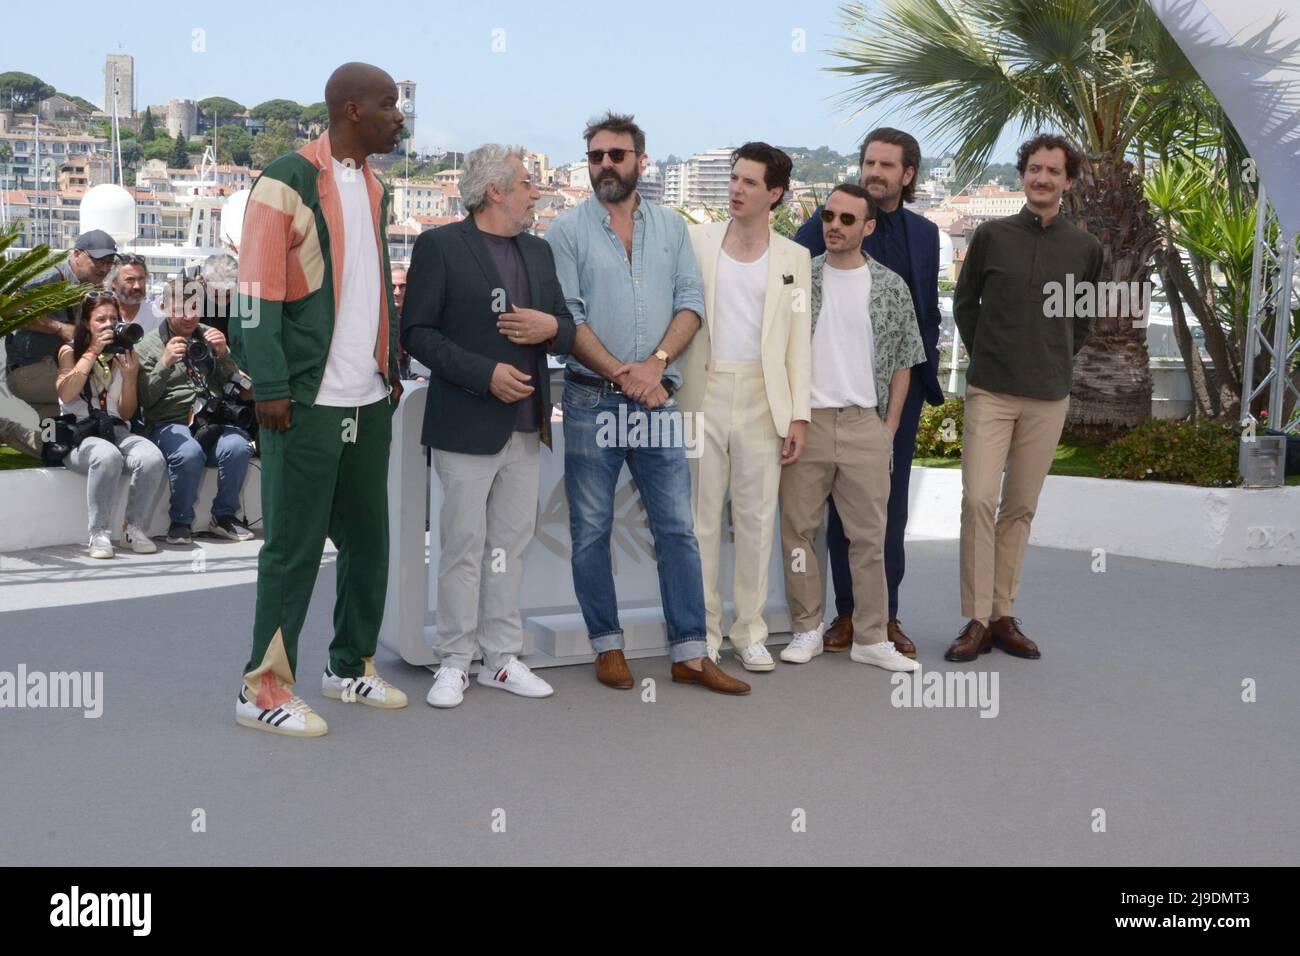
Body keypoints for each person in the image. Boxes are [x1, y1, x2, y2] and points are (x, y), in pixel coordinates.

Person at [230, 61, 408, 737]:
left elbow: (370, 292)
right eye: (388, 105)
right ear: (353, 110)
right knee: (293, 548)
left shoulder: (378, 186)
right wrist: (270, 385)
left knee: (369, 542)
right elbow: (255, 294)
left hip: (367, 398)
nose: (399, 116)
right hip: (303, 400)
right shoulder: (285, 179)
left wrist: (389, 370)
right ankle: (262, 689)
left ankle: (348, 665)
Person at [546, 111, 750, 695]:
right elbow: (569, 320)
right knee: (590, 531)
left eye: (616, 155)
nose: (605, 165)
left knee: (678, 531)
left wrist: (656, 366)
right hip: (592, 403)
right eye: (595, 157)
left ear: (641, 160)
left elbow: (691, 304)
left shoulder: (672, 229)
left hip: (659, 403)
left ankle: (691, 652)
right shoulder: (564, 232)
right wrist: (621, 374)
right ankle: (606, 646)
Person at [403, 143, 578, 708]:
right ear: (496, 191)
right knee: (461, 546)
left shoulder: (539, 251)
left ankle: (501, 658)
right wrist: (485, 374)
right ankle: (454, 660)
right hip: (465, 423)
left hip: (527, 425)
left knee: (509, 547)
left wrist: (549, 326)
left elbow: (566, 329)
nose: (536, 192)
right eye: (527, 183)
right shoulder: (439, 246)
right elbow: (418, 333)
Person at [946, 133, 1102, 663]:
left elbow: (1083, 319)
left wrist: (1054, 359)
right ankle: (975, 619)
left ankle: (1003, 614)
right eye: (1034, 169)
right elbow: (966, 304)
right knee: (978, 500)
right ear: (1022, 175)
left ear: (1068, 181)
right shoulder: (991, 234)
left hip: (1048, 397)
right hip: (990, 391)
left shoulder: (1086, 248)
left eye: (1053, 171)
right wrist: (990, 353)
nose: (1042, 178)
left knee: (1020, 508)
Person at [793, 128, 943, 657]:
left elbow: (928, 310)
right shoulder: (828, 222)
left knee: (887, 511)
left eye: (886, 165)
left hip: (897, 396)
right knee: (832, 513)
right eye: (868, 163)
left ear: (908, 175)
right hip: (829, 394)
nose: (874, 172)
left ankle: (887, 617)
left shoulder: (926, 234)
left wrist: (918, 384)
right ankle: (845, 616)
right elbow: (790, 273)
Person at [777, 184, 923, 672]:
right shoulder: (800, 280)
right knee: (798, 533)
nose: (834, 226)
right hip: (806, 422)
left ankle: (871, 636)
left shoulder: (890, 285)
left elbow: (905, 360)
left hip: (865, 424)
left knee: (869, 538)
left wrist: (890, 427)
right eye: (829, 217)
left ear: (868, 227)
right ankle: (805, 628)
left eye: (846, 219)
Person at [677, 142, 811, 672]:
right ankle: (703, 633)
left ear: (774, 194)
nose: (736, 188)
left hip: (763, 397)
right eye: (734, 178)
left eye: (750, 182)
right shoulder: (696, 242)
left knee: (756, 520)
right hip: (701, 393)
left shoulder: (794, 258)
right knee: (700, 520)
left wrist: (798, 413)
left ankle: (750, 632)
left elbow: (799, 342)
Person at [135, 277, 254, 545]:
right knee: (188, 453)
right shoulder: (148, 346)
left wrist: (223, 354)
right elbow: (146, 401)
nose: (189, 317)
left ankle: (223, 518)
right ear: (164, 307)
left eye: (195, 307)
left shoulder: (210, 336)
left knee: (238, 446)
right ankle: (180, 522)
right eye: (181, 309)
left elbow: (240, 387)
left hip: (210, 420)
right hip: (168, 421)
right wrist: (164, 363)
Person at [54, 292, 166, 558]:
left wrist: (129, 377)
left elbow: (126, 412)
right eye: (100, 319)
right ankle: (99, 533)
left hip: (115, 429)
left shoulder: (123, 354)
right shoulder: (70, 351)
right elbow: (66, 394)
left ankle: (133, 529)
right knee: (107, 456)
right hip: (80, 434)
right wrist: (92, 351)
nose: (108, 324)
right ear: (87, 323)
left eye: (113, 319)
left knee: (151, 457)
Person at [5, 230, 117, 425]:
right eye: (99, 260)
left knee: (55, 443)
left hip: (52, 371)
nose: (105, 268)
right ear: (76, 255)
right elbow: (9, 310)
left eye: (109, 262)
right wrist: (59, 328)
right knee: (100, 385)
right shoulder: (50, 277)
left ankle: (9, 432)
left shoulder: (89, 286)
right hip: (30, 372)